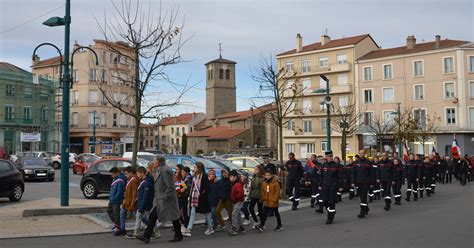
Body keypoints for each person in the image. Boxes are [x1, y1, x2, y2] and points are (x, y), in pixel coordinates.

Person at [137, 156, 183, 243]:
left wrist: (164, 196)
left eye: (154, 160)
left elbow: (170, 186)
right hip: (160, 199)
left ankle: (178, 235)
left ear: (158, 161)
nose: (153, 161)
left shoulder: (165, 170)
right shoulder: (159, 169)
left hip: (166, 199)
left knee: (173, 217)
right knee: (155, 216)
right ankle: (147, 236)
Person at [182, 162, 214, 237]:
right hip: (194, 197)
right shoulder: (194, 176)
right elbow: (192, 187)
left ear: (199, 168)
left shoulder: (204, 176)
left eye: (195, 167)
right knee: (192, 213)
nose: (193, 168)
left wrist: (203, 195)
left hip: (203, 198)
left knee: (207, 213)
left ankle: (210, 228)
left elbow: (208, 188)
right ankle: (189, 229)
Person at [127, 166, 155, 239]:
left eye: (138, 174)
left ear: (142, 173)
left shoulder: (146, 182)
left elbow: (145, 196)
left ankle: (136, 232)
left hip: (145, 204)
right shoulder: (143, 181)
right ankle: (154, 232)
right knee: (147, 219)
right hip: (143, 204)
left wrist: (141, 207)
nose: (137, 175)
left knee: (141, 217)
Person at [318, 151, 343, 224]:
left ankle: (330, 218)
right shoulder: (323, 165)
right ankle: (332, 211)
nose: (330, 158)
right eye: (329, 156)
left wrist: (340, 186)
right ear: (326, 157)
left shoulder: (336, 165)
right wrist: (320, 185)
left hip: (333, 187)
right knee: (325, 201)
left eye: (331, 156)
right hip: (325, 186)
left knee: (332, 202)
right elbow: (321, 177)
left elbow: (340, 177)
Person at [116, 166, 139, 236]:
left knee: (138, 215)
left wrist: (132, 203)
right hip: (127, 201)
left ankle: (151, 226)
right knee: (122, 213)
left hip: (130, 202)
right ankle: (122, 229)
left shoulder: (134, 180)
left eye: (126, 174)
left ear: (131, 173)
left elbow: (134, 193)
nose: (125, 176)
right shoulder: (129, 179)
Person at [352, 149, 373, 218]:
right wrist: (353, 182)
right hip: (358, 182)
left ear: (365, 154)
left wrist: (371, 183)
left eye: (362, 153)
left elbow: (371, 174)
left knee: (363, 196)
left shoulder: (368, 162)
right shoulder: (356, 162)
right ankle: (366, 208)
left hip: (366, 182)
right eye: (360, 153)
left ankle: (362, 212)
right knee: (361, 196)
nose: (361, 154)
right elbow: (354, 173)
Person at [107, 167, 125, 234]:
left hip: (116, 200)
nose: (111, 175)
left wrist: (114, 198)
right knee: (109, 211)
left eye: (113, 173)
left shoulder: (120, 180)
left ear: (117, 173)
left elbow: (120, 192)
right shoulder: (115, 178)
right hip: (112, 199)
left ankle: (118, 226)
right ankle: (116, 224)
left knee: (116, 213)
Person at [228, 170, 245, 236]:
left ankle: (234, 228)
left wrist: (235, 198)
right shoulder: (234, 183)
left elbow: (240, 193)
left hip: (238, 201)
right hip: (236, 201)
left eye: (232, 177)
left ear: (235, 177)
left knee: (234, 214)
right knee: (237, 214)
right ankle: (241, 227)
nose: (230, 178)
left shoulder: (237, 184)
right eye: (230, 177)